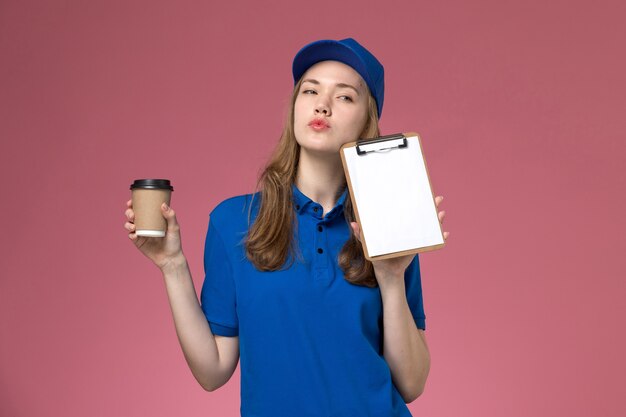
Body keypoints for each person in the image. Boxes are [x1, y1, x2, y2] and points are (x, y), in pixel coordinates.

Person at [124, 38, 449, 417]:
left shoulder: (388, 224)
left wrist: (392, 277)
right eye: (310, 90)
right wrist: (172, 265)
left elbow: (411, 384)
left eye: (344, 97)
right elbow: (213, 371)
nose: (321, 104)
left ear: (367, 121)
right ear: (295, 106)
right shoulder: (234, 222)